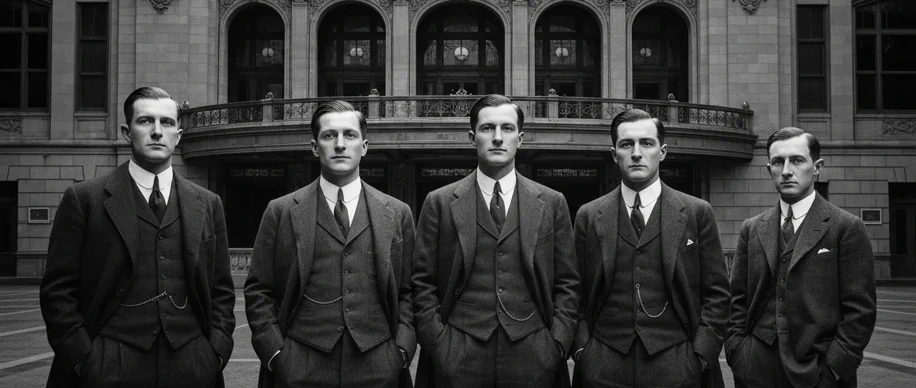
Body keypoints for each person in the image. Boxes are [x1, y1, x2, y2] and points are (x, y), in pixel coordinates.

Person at [40, 87, 236, 388]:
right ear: (125, 132)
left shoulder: (208, 203)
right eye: (146, 121)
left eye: (167, 123)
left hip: (193, 364)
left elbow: (221, 287)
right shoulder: (84, 199)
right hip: (107, 364)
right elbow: (57, 290)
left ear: (179, 135)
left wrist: (216, 352)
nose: (157, 132)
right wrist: (83, 358)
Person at [245, 100, 416, 388]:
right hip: (299, 367)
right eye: (329, 136)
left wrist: (401, 350)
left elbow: (410, 291)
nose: (340, 144)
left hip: (379, 366)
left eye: (349, 135)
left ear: (364, 146)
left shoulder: (397, 212)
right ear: (315, 147)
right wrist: (276, 354)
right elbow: (259, 289)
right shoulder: (281, 211)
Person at [412, 94, 579, 388]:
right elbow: (422, 282)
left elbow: (567, 282)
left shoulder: (552, 202)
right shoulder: (439, 202)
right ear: (471, 136)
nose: (498, 138)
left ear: (521, 138)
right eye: (488, 128)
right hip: (458, 354)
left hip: (533, 354)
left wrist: (556, 344)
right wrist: (439, 344)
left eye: (507, 129)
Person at [571, 109, 730, 388]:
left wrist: (700, 356)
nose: (636, 153)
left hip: (678, 365)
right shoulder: (588, 215)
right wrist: (584, 351)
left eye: (646, 143)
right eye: (626, 144)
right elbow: (574, 292)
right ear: (613, 154)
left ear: (663, 151)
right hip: (603, 366)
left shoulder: (696, 212)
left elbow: (717, 293)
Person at [725, 127, 876, 388]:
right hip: (755, 370)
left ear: (817, 167)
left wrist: (834, 369)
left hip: (820, 372)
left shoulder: (845, 227)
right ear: (768, 169)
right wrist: (738, 352)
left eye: (796, 160)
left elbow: (860, 311)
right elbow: (738, 300)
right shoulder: (752, 228)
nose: (786, 170)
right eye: (777, 162)